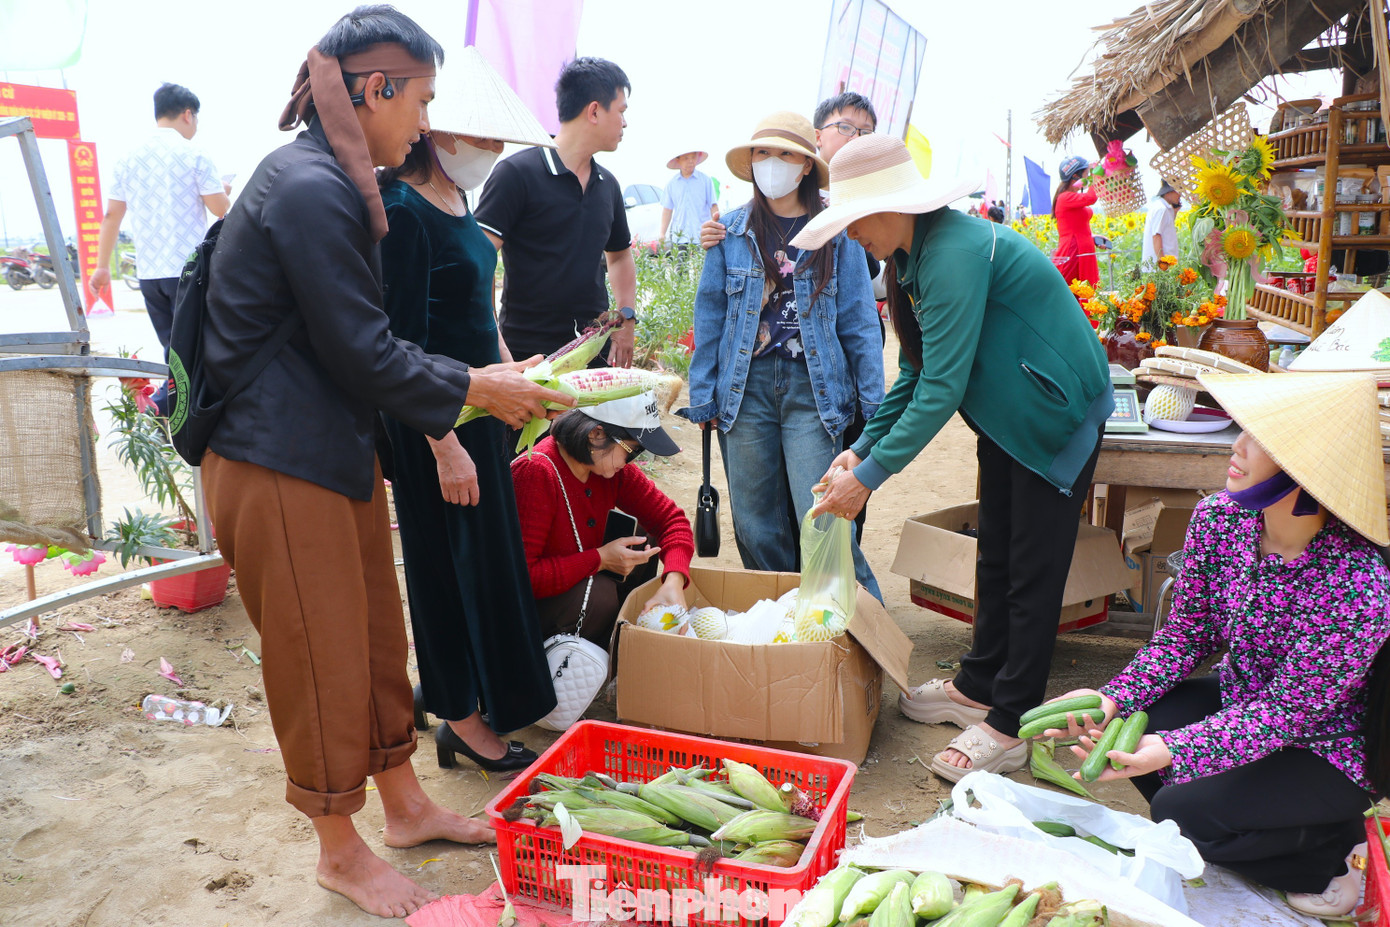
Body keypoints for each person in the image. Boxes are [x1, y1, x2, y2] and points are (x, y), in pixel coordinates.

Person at [198, 7, 570, 918]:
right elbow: (367, 349)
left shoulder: (339, 177)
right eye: (421, 102)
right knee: (318, 653)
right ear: (375, 91)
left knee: (372, 635)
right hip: (274, 455)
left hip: (331, 446)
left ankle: (404, 806)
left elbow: (362, 352)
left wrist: (480, 378)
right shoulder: (310, 187)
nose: (425, 123)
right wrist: (478, 391)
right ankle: (339, 847)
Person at [794, 134, 1112, 782]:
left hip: (1053, 416)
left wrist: (870, 480)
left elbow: (941, 389)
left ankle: (1010, 720)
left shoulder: (955, 252)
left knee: (1031, 570)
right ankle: (978, 683)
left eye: (854, 221)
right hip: (1005, 416)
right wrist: (859, 450)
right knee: (994, 550)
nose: (852, 237)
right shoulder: (909, 262)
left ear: (891, 206)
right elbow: (914, 373)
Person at [1046, 371, 1390, 920]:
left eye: (1260, 440)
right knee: (1133, 733)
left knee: (1179, 810)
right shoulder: (1220, 519)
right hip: (1241, 702)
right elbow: (1187, 636)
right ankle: (1269, 822)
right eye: (1242, 431)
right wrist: (1113, 697)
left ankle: (1328, 851)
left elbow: (1285, 715)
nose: (1236, 445)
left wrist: (1179, 750)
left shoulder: (1357, 585)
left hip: (1326, 745)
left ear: (1307, 470)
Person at [376, 46, 559, 775]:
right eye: (481, 140)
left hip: (483, 413)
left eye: (498, 142)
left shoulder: (460, 202)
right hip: (436, 423)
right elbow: (398, 344)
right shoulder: (404, 213)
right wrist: (442, 441)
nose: (490, 153)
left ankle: (477, 698)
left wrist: (516, 370)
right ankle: (460, 718)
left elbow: (476, 317)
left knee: (485, 564)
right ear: (437, 132)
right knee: (443, 569)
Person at [684, 112, 884, 600]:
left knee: (823, 518)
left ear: (807, 166)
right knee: (755, 524)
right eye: (762, 153)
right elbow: (709, 317)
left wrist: (873, 407)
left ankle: (859, 632)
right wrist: (704, 395)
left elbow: (859, 322)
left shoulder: (837, 231)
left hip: (813, 392)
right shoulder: (728, 233)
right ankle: (785, 626)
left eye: (785, 154)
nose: (771, 164)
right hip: (743, 391)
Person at [475, 57, 639, 367]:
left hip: (592, 352)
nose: (625, 123)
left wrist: (626, 316)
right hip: (526, 355)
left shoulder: (608, 185)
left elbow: (619, 255)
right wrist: (493, 341)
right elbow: (478, 261)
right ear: (594, 111)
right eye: (621, 111)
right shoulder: (516, 174)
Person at [91, 82, 231, 411]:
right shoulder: (194, 153)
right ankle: (177, 412)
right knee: (196, 349)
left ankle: (167, 407)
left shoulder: (127, 158)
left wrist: (101, 267)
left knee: (171, 349)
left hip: (151, 274)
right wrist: (223, 188)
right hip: (188, 270)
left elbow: (111, 215)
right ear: (187, 114)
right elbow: (220, 208)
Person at [511, 398, 694, 646]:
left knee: (644, 536)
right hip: (528, 612)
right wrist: (600, 559)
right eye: (634, 450)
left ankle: (617, 641)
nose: (633, 461)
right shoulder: (536, 472)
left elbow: (671, 520)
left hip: (579, 585)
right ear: (596, 435)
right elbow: (520, 578)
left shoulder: (608, 468)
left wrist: (674, 579)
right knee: (600, 595)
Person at [1051, 155, 1099, 290]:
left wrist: (1093, 238)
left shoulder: (1070, 197)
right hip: (1074, 248)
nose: (1089, 177)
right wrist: (1097, 174)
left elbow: (1076, 225)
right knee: (1071, 289)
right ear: (1075, 176)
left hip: (1081, 246)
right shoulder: (1065, 197)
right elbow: (1091, 197)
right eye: (1087, 174)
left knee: (1082, 290)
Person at [659, 148, 716, 246]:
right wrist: (662, 233)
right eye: (686, 158)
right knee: (680, 261)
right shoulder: (672, 184)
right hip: (680, 237)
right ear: (678, 160)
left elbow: (713, 206)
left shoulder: (706, 181)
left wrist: (716, 228)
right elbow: (667, 210)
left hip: (701, 236)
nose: (690, 161)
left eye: (693, 158)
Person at [1142, 179, 1182, 268]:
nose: (1180, 194)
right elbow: (1156, 235)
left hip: (1165, 263)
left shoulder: (1164, 208)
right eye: (1177, 191)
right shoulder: (1161, 209)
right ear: (1168, 192)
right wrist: (1162, 262)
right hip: (1159, 266)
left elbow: (1167, 229)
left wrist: (1175, 211)